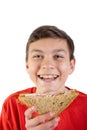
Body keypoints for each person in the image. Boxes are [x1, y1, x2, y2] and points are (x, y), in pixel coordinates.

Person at [0, 25, 87, 130]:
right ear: (27, 65)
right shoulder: (13, 105)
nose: (47, 64)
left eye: (58, 56)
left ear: (71, 65)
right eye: (38, 56)